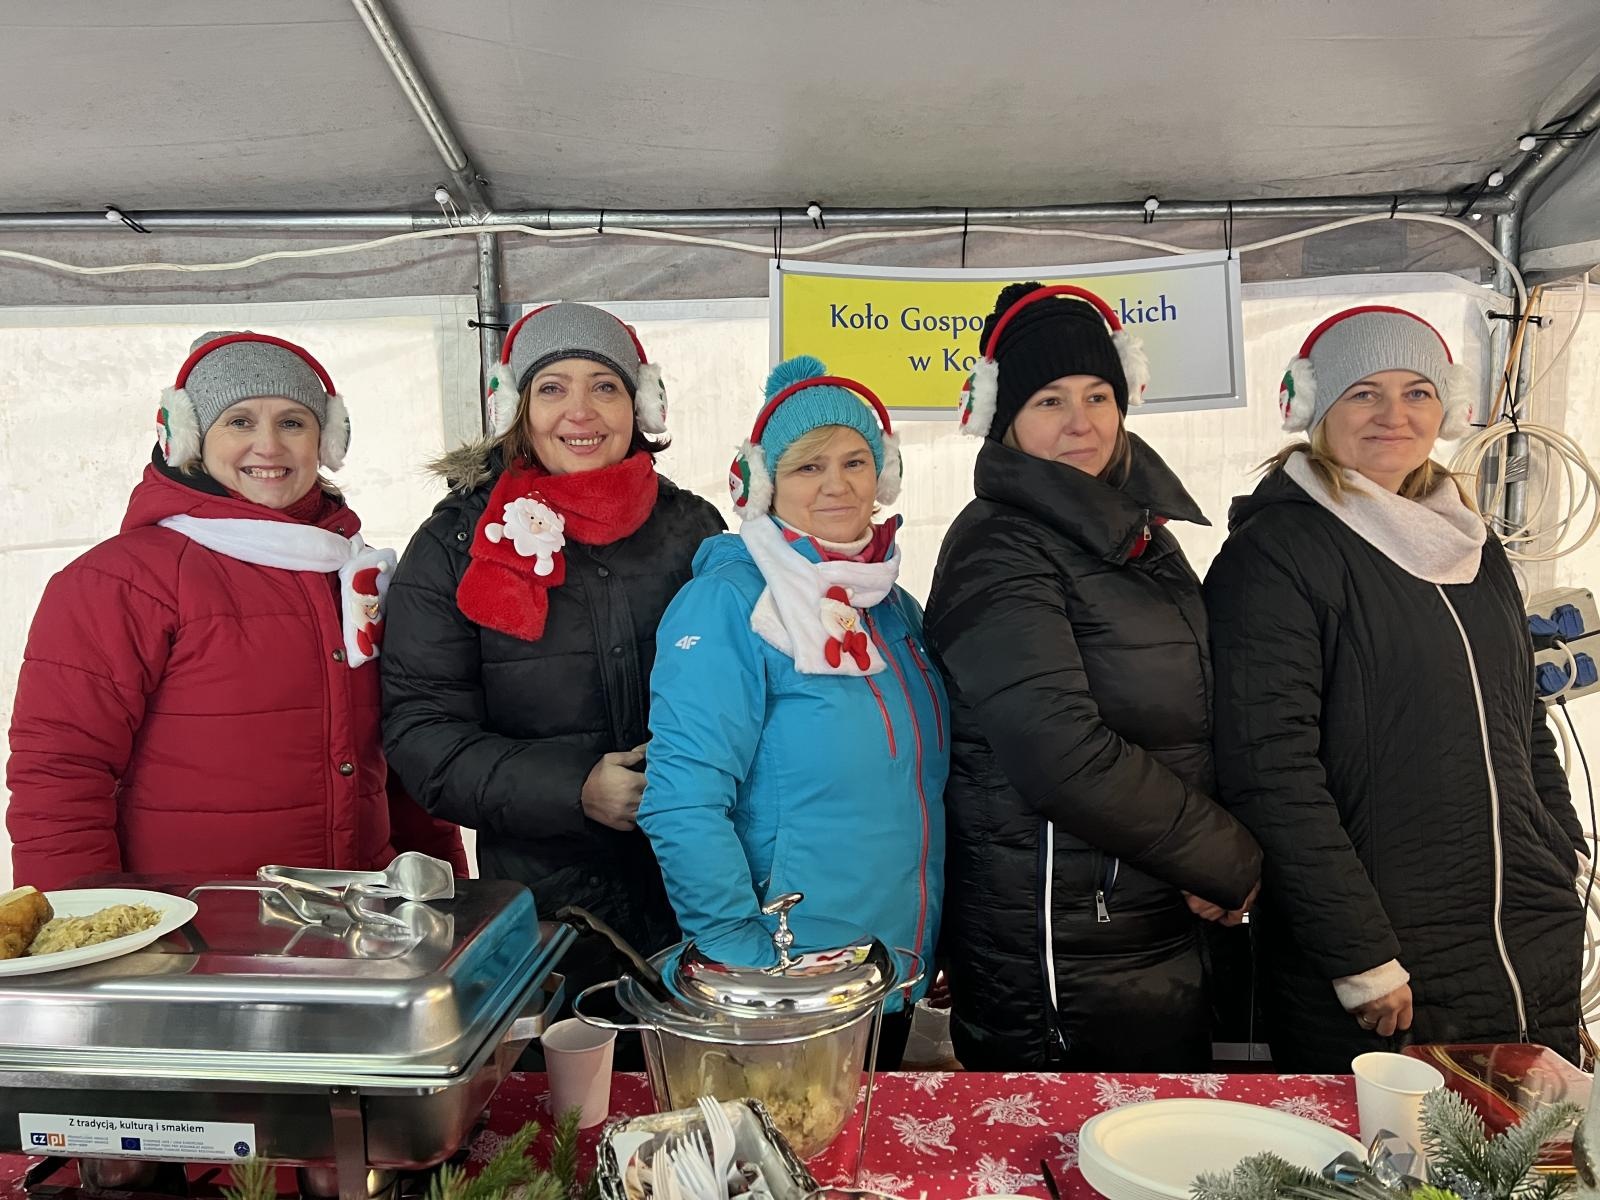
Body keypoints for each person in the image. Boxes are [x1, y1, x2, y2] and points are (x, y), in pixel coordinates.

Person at [1206, 305, 1584, 1069]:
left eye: (1417, 392)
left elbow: (1524, 719)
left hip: (1529, 944)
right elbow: (1271, 772)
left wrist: (1561, 849)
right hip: (1392, 971)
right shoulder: (1276, 555)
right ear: (1314, 408)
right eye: (1363, 393)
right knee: (1389, 1182)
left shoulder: (1473, 545)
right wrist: (1360, 954)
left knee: (1530, 1176)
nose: (1394, 415)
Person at [924, 283, 1262, 1071]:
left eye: (1098, 394)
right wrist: (1224, 856)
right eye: (1049, 399)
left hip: (1146, 922)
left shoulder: (1139, 531)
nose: (1081, 422)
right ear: (1004, 418)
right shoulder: (998, 547)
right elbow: (1060, 753)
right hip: (1061, 951)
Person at [7, 331, 464, 888]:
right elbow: (60, 773)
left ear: (327, 440)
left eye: (293, 422)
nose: (268, 446)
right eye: (239, 422)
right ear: (190, 439)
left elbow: (406, 755)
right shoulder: (120, 580)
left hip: (355, 922)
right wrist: (81, 929)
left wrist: (449, 891)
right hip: (193, 936)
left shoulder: (357, 570)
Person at [381, 303, 724, 1008]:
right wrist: (575, 787)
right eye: (552, 388)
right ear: (518, 408)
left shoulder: (695, 528)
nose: (581, 411)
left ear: (640, 403)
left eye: (604, 385)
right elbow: (421, 731)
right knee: (566, 1106)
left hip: (698, 887)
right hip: (547, 914)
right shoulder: (454, 544)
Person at [639, 355, 949, 1068]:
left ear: (885, 475)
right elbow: (681, 801)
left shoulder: (895, 608)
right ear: (764, 483)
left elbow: (919, 794)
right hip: (788, 988)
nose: (837, 485)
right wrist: (745, 960)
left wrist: (931, 938)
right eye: (809, 467)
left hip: (886, 973)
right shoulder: (729, 604)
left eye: (855, 461)